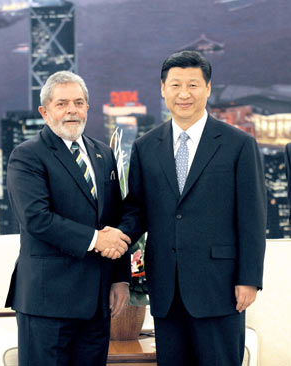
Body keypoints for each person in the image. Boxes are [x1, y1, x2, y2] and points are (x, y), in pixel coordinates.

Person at [119, 51, 266, 365]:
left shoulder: (238, 144)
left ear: (208, 88)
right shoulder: (145, 147)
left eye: (193, 85)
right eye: (175, 85)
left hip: (221, 287)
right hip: (166, 289)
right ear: (162, 89)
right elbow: (137, 210)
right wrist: (113, 236)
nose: (183, 94)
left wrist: (249, 278)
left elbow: (252, 217)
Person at [5, 71, 131, 366]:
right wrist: (97, 239)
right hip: (47, 303)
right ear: (45, 111)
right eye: (62, 103)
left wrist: (121, 279)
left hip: (97, 304)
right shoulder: (27, 155)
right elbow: (36, 219)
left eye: (78, 102)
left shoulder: (103, 153)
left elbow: (114, 218)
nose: (71, 110)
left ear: (88, 107)